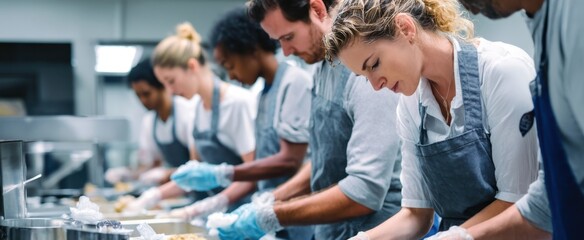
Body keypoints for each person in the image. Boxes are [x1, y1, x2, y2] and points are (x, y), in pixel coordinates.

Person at [323, 0, 542, 239]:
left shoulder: (500, 72)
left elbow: (517, 201)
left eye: (374, 64)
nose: (376, 86)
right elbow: (416, 215)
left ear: (405, 28)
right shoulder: (411, 104)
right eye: (365, 76)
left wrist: (455, 236)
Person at [216, 0, 403, 239]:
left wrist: (274, 215)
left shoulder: (366, 72)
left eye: (289, 37)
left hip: (371, 229)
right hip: (331, 230)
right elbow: (324, 160)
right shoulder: (323, 67)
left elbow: (364, 190)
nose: (285, 51)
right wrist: (272, 198)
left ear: (317, 10)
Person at [426, 0, 584, 239]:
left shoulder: (574, 17)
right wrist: (461, 237)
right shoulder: (543, 25)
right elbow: (546, 204)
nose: (465, 6)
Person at [167, 7, 314, 239]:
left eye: (230, 64)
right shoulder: (263, 94)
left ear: (250, 50)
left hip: (296, 216)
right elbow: (264, 160)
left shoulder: (294, 82)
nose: (232, 75)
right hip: (275, 218)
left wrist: (222, 174)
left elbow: (289, 161)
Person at [125, 22, 258, 214]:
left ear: (192, 66)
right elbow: (193, 176)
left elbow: (253, 174)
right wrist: (154, 196)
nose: (170, 91)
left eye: (171, 81)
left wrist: (216, 202)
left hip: (244, 215)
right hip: (217, 215)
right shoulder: (196, 108)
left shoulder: (236, 103)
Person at [105, 59, 195, 186]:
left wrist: (167, 173)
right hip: (178, 190)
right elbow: (150, 165)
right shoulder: (149, 121)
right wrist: (127, 173)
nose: (143, 100)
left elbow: (196, 164)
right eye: (138, 95)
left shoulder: (186, 112)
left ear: (163, 86)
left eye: (147, 94)